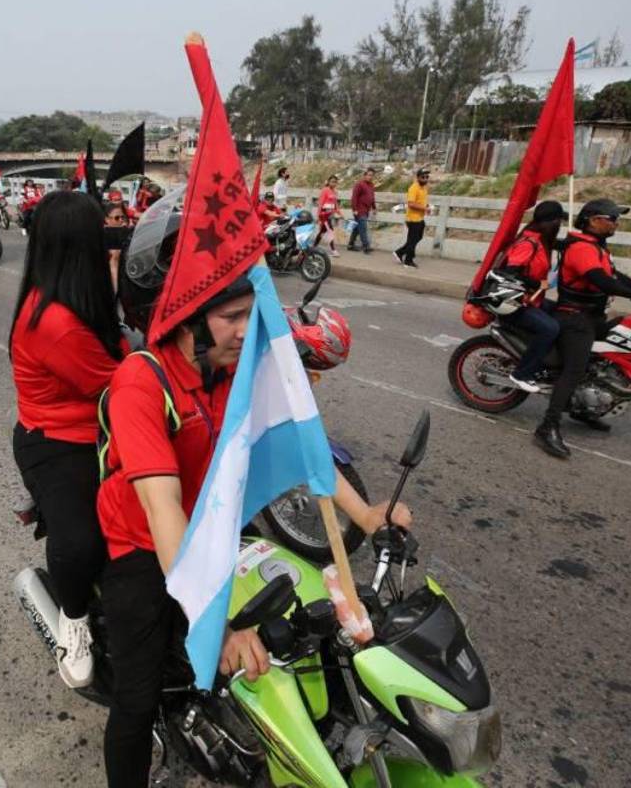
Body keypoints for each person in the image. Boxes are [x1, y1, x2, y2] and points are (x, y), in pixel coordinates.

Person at [99, 190, 413, 786]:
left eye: (252, 313)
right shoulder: (141, 383)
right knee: (136, 699)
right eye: (233, 317)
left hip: (216, 527)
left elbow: (299, 446)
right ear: (186, 317)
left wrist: (366, 515)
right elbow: (163, 508)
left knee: (304, 635)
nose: (248, 330)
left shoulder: (233, 374)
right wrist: (210, 622)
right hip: (144, 545)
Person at [10, 191, 126, 689]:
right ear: (77, 247)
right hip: (58, 442)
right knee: (82, 541)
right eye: (100, 236)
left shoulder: (81, 295)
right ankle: (73, 619)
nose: (109, 240)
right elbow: (122, 383)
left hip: (101, 428)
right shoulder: (53, 322)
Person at [534, 198, 631, 459]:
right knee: (574, 370)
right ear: (594, 221)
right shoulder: (581, 248)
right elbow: (601, 281)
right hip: (574, 319)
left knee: (612, 352)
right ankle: (547, 427)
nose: (617, 223)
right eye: (612, 218)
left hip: (593, 317)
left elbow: (616, 276)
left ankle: (585, 409)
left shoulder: (598, 247)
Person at [499, 201, 567, 393]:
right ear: (549, 222)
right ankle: (522, 373)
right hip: (516, 303)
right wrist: (537, 284)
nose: (559, 226)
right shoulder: (529, 242)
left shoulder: (541, 239)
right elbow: (512, 272)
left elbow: (559, 245)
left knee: (563, 312)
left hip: (532, 300)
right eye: (558, 222)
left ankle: (547, 364)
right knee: (550, 328)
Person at [394, 167, 430, 267]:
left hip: (420, 218)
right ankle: (408, 260)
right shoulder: (413, 188)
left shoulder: (424, 188)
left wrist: (426, 207)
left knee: (418, 238)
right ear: (418, 177)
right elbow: (411, 204)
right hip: (413, 219)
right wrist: (424, 208)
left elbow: (420, 202)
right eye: (423, 177)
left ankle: (400, 253)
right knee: (412, 240)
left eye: (427, 177)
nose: (426, 179)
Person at [347, 168, 376, 254]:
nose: (370, 177)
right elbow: (354, 198)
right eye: (369, 175)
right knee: (363, 228)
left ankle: (350, 245)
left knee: (356, 228)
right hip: (359, 210)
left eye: (372, 175)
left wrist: (374, 207)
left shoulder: (371, 185)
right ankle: (366, 247)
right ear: (364, 175)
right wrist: (354, 209)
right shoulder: (359, 184)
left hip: (366, 210)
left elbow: (372, 197)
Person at [316, 175, 340, 257]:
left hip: (329, 215)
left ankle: (314, 246)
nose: (333, 183)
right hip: (323, 214)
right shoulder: (325, 190)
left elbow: (335, 204)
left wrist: (339, 213)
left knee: (322, 232)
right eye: (332, 181)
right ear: (329, 182)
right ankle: (333, 250)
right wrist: (318, 215)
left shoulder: (335, 192)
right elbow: (320, 203)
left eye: (335, 182)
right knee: (330, 231)